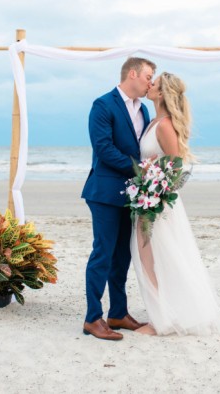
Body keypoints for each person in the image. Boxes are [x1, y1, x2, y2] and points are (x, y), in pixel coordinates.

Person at [131, 72, 220, 336]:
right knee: (150, 259)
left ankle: (160, 321)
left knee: (158, 259)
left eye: (154, 83)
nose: (149, 85)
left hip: (158, 204)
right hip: (148, 198)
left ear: (162, 93)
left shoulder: (164, 125)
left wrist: (153, 183)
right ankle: (161, 314)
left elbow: (175, 165)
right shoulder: (154, 121)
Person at [81, 57, 156, 341]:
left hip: (132, 194)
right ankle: (92, 318)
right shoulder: (103, 105)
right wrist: (140, 168)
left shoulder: (145, 109)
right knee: (103, 253)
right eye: (148, 76)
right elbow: (103, 148)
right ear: (133, 73)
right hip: (104, 192)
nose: (150, 82)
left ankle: (118, 312)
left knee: (122, 256)